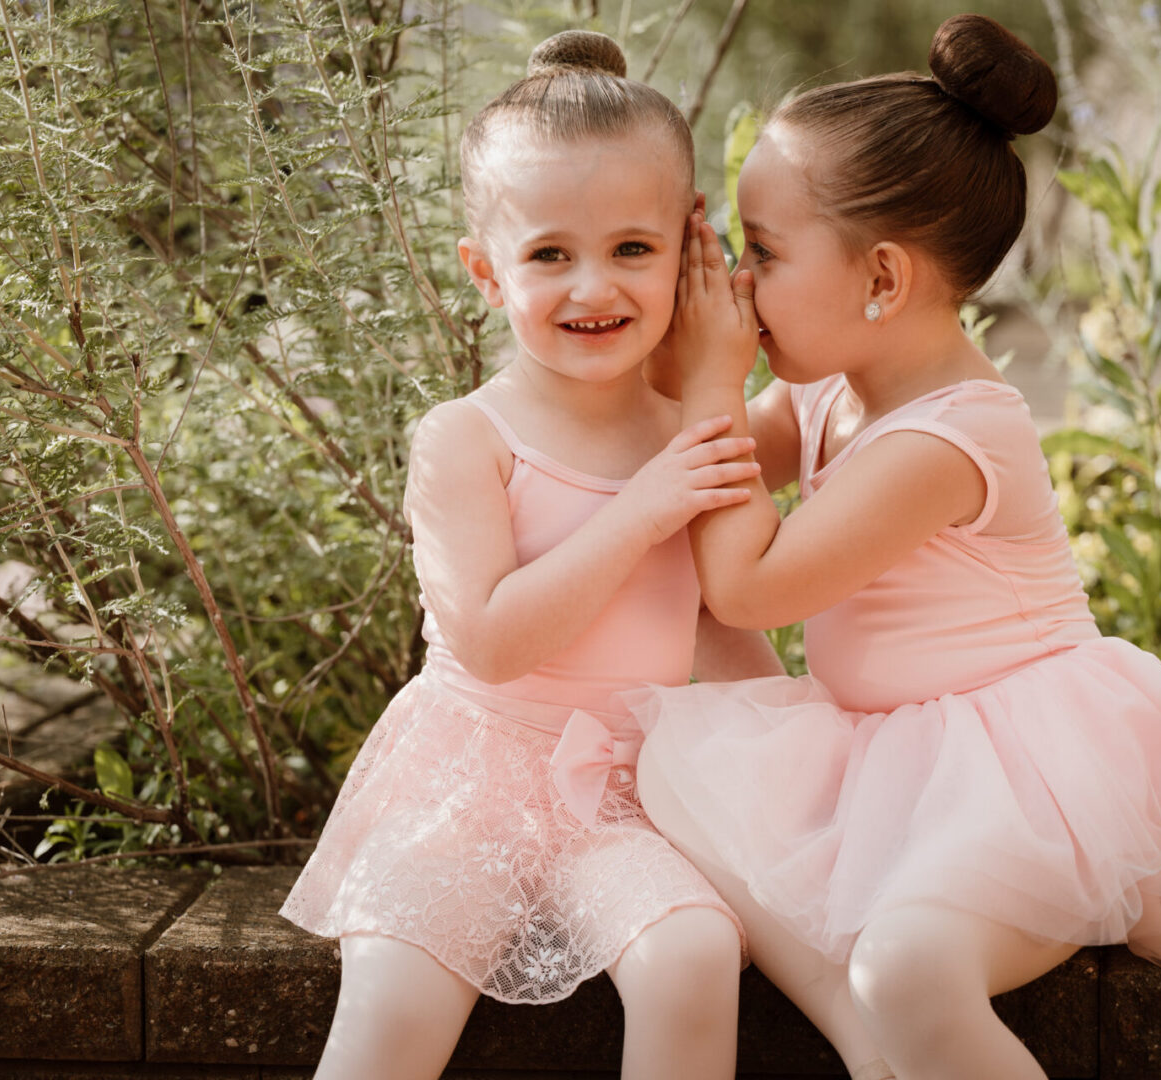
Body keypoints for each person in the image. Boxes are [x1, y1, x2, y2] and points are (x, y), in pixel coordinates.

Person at [629, 15, 1161, 1080]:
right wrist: (666, 295)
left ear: (882, 281)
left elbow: (747, 587)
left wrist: (716, 380)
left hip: (1023, 776)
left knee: (909, 969)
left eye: (761, 254)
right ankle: (860, 1042)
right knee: (679, 769)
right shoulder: (824, 391)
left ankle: (885, 1015)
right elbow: (687, 456)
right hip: (891, 751)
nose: (742, 284)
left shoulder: (951, 438)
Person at [279, 30, 781, 1080]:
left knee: (692, 952)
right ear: (485, 270)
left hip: (622, 792)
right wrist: (644, 511)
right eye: (550, 253)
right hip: (466, 783)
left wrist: (798, 780)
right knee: (396, 1005)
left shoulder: (690, 433)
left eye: (633, 250)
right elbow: (495, 641)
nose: (592, 285)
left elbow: (729, 636)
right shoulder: (466, 438)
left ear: (690, 251)